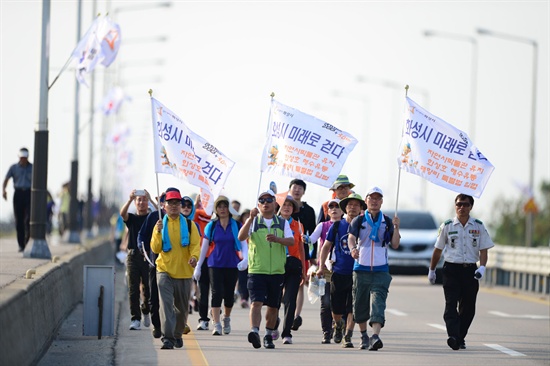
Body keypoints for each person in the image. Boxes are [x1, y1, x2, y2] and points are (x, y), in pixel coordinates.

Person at [428, 193, 494, 351]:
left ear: (471, 207)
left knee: (468, 307)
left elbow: (484, 249)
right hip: (451, 269)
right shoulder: (447, 225)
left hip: (470, 270)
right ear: (455, 206)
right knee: (451, 304)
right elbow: (438, 250)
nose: (461, 207)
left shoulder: (478, 226)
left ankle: (459, 337)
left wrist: (482, 267)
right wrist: (432, 270)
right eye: (458, 204)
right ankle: (453, 336)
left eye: (465, 204)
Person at [238, 189, 295, 349]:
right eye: (262, 201)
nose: (265, 203)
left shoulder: (282, 222)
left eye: (269, 200)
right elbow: (241, 237)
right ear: (258, 205)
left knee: (273, 306)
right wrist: (249, 219)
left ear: (275, 203)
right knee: (256, 302)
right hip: (257, 270)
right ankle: (255, 331)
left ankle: (268, 335)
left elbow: (291, 241)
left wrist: (278, 239)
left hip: (277, 271)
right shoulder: (254, 222)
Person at [348, 187, 400, 351]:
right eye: (372, 198)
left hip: (380, 270)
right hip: (361, 268)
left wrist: (396, 228)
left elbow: (396, 244)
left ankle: (375, 336)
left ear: (382, 201)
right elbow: (351, 238)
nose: (375, 201)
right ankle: (364, 336)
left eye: (378, 198)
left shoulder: (387, 221)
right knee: (360, 304)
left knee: (378, 303)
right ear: (367, 200)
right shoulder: (359, 220)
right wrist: (352, 250)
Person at [151, 188, 200, 350]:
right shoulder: (159, 224)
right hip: (164, 270)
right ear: (164, 206)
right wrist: (158, 233)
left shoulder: (189, 225)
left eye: (176, 203)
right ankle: (168, 338)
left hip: (184, 272)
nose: (173, 206)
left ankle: (178, 334)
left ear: (180, 206)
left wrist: (194, 257)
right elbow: (156, 248)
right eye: (170, 203)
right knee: (165, 306)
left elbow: (195, 245)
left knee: (181, 308)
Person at [194, 196, 248, 336]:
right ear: (216, 209)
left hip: (231, 263)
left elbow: (243, 242)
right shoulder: (211, 226)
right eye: (219, 207)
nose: (222, 209)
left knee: (229, 295)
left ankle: (226, 318)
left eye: (225, 206)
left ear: (228, 209)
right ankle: (216, 324)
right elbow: (204, 247)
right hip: (214, 263)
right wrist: (199, 266)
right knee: (216, 293)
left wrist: (245, 258)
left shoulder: (236, 225)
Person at [317, 195, 362, 348]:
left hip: (358, 272)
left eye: (357, 205)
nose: (353, 207)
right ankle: (338, 325)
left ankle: (348, 336)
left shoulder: (364, 226)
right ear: (345, 208)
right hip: (339, 271)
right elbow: (326, 247)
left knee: (353, 306)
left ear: (361, 208)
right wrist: (321, 266)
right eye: (350, 205)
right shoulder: (336, 226)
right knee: (336, 307)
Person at [306, 199, 343, 344]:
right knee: (325, 302)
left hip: (341, 269)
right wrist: (304, 237)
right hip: (324, 269)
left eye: (337, 206)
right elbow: (312, 239)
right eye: (331, 207)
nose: (334, 209)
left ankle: (338, 325)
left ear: (342, 211)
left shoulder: (347, 226)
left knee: (338, 302)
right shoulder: (322, 226)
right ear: (327, 212)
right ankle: (327, 333)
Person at [120, 188, 157, 331]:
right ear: (135, 203)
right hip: (133, 256)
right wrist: (129, 199)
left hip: (148, 256)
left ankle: (146, 310)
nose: (141, 202)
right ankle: (135, 318)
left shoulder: (152, 218)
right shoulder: (132, 218)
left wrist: (151, 198)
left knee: (148, 288)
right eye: (139, 200)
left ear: (147, 202)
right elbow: (122, 214)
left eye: (144, 200)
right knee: (133, 288)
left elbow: (160, 212)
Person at [137, 190, 168, 338]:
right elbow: (141, 235)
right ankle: (157, 325)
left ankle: (171, 328)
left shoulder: (182, 220)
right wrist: (141, 247)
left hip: (174, 266)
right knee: (154, 297)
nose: (170, 205)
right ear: (162, 204)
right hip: (154, 262)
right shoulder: (154, 217)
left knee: (171, 299)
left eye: (175, 202)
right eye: (166, 201)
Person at [276, 195, 306, 344]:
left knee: (290, 300)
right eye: (284, 204)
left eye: (290, 205)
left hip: (294, 265)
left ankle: (286, 333)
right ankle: (273, 323)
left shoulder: (298, 225)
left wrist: (304, 272)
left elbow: (301, 248)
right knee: (275, 299)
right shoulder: (272, 223)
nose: (287, 207)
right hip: (275, 264)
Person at [288, 178, 317, 331]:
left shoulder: (309, 210)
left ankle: (296, 316)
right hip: (284, 251)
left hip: (301, 253)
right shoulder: (282, 207)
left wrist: (313, 257)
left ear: (304, 191)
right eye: (295, 187)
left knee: (299, 284)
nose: (297, 190)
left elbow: (313, 235)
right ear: (289, 189)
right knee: (285, 286)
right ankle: (287, 312)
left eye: (300, 188)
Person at [2, 147, 32, 252]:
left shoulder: (32, 168)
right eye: (22, 157)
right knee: (19, 219)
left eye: (25, 158)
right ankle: (21, 244)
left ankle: (27, 241)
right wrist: (4, 191)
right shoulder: (14, 168)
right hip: (18, 194)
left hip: (29, 193)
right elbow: (6, 179)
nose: (23, 160)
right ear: (19, 157)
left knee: (28, 219)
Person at [192, 194, 213, 331]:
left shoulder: (221, 216)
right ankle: (203, 319)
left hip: (217, 259)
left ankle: (216, 312)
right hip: (202, 257)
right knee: (203, 291)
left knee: (218, 292)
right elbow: (191, 217)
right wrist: (197, 201)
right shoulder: (198, 214)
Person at [236, 209, 251, 308]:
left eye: (248, 216)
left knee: (250, 280)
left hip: (252, 258)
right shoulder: (238, 227)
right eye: (245, 216)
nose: (247, 218)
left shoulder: (254, 227)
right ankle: (242, 297)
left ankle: (246, 298)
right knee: (242, 279)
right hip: (240, 257)